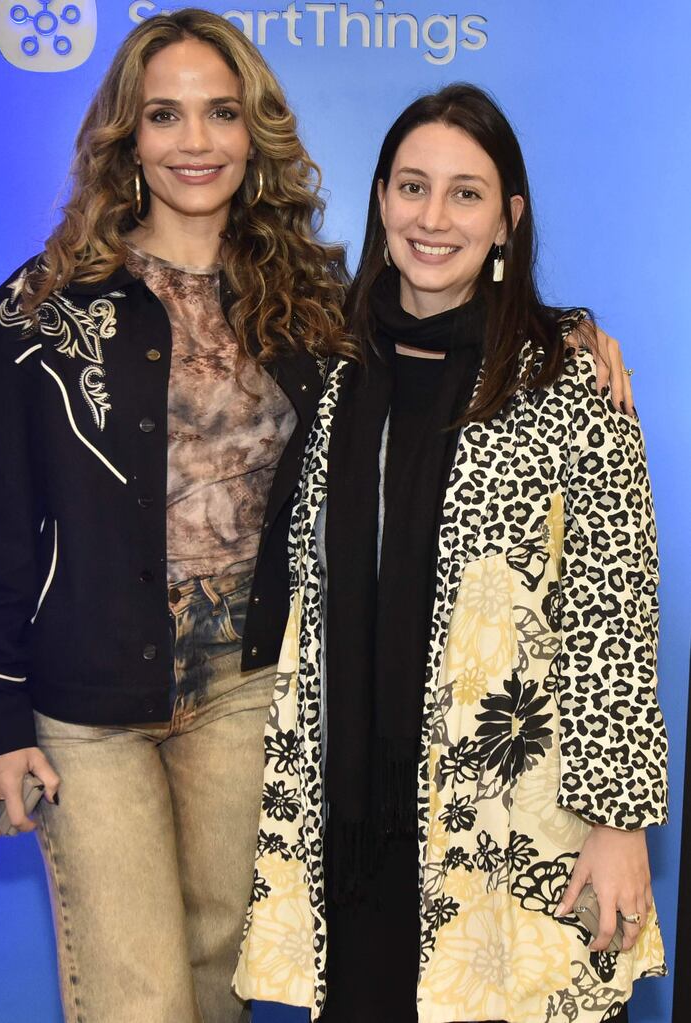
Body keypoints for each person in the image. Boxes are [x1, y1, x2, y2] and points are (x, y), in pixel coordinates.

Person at [0, 10, 350, 1023]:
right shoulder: (47, 303)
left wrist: (567, 330)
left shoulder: (309, 295)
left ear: (254, 132)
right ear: (127, 135)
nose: (194, 143)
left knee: (219, 986)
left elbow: (444, 316)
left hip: (246, 688)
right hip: (85, 704)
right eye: (165, 116)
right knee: (139, 1001)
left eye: (218, 114)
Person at [235, 84, 667, 1023]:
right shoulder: (321, 359)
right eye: (412, 186)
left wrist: (618, 822)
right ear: (382, 196)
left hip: (516, 824)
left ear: (509, 215)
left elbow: (614, 612)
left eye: (466, 193)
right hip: (347, 819)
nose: (433, 218)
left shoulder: (567, 377)